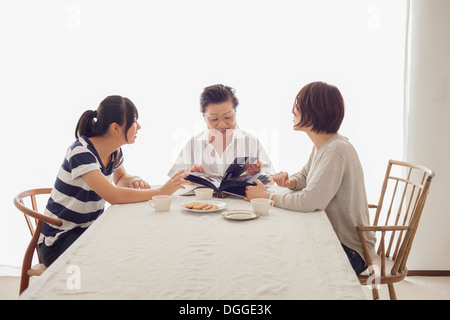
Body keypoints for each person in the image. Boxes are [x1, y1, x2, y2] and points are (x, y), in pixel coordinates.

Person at [38, 95, 187, 267]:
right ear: (115, 128)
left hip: (88, 229)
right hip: (58, 240)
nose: (139, 126)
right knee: (118, 252)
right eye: (134, 121)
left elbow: (121, 179)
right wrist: (161, 192)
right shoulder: (80, 152)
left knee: (132, 239)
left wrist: (133, 180)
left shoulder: (114, 152)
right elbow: (113, 196)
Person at [245, 81, 376, 274]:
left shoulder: (336, 150)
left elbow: (310, 201)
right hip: (335, 240)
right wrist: (291, 182)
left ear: (315, 111)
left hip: (350, 250)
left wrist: (268, 197)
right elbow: (306, 175)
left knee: (282, 259)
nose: (292, 111)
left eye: (298, 105)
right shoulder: (325, 146)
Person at [168, 84, 275, 177]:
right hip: (204, 201)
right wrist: (191, 179)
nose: (222, 125)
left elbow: (271, 180)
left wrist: (255, 174)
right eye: (214, 119)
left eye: (228, 117)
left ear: (235, 112)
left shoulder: (250, 142)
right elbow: (175, 183)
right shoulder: (193, 144)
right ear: (204, 118)